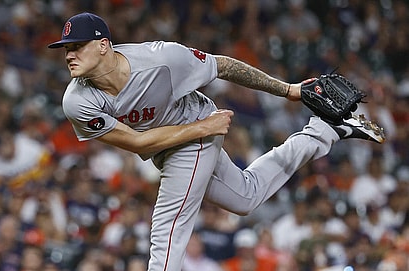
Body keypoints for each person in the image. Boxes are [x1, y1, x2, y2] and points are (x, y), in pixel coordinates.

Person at [47, 12, 385, 271]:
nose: (69, 55)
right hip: (181, 137)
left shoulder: (161, 59)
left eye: (77, 46)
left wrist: (288, 90)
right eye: (66, 49)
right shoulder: (77, 101)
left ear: (103, 45)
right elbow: (138, 143)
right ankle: (326, 130)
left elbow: (221, 66)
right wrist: (204, 128)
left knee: (168, 225)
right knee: (246, 196)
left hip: (193, 129)